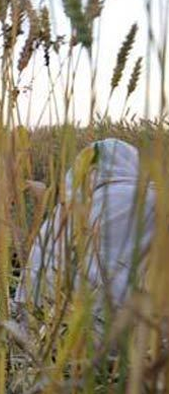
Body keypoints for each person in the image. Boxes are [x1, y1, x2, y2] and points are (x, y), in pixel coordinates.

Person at [14, 138, 157, 326]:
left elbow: (38, 266)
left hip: (45, 321)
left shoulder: (66, 209)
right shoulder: (149, 199)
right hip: (115, 325)